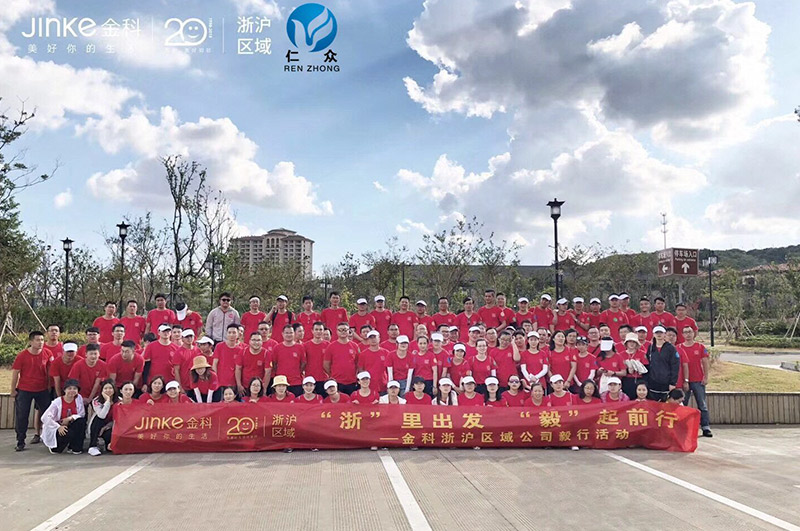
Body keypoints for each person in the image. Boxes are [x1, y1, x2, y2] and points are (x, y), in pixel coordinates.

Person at [11, 331, 51, 452]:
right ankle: (20, 441)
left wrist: (49, 386)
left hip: (42, 390)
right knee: (22, 416)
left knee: (48, 415)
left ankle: (50, 439)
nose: (40, 343)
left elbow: (50, 371)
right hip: (25, 390)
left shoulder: (47, 353)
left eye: (42, 340)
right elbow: (15, 373)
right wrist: (13, 390)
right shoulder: (22, 355)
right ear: (31, 342)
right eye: (37, 340)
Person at [679, 326, 713, 437]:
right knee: (682, 405)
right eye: (685, 332)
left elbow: (705, 362)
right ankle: (681, 427)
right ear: (682, 335)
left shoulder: (700, 347)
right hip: (684, 381)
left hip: (698, 380)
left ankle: (705, 427)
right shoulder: (679, 347)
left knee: (702, 405)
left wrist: (705, 377)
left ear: (694, 333)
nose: (688, 334)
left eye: (690, 332)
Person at [42, 379, 86, 454]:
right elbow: (45, 417)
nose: (72, 391)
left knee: (81, 421)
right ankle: (55, 446)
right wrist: (58, 427)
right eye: (69, 388)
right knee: (57, 450)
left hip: (70, 424)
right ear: (64, 390)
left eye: (75, 388)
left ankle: (75, 447)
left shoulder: (78, 398)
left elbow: (82, 414)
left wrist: (70, 418)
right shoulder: (57, 402)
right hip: (58, 427)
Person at [645, 325, 680, 402]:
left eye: (661, 332)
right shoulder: (650, 348)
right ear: (653, 334)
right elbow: (648, 364)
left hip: (666, 382)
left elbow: (675, 366)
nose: (659, 335)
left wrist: (673, 383)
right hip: (653, 382)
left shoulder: (671, 348)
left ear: (664, 334)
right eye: (657, 333)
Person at [323, 322, 359, 395]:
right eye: (340, 330)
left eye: (345, 330)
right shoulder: (331, 346)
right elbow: (326, 365)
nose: (343, 332)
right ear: (337, 331)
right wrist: (333, 374)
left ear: (349, 331)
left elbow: (357, 363)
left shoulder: (355, 346)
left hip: (351, 382)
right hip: (337, 382)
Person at [88, 379, 118, 456]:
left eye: (110, 388)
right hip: (98, 424)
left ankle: (107, 445)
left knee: (109, 437)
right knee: (98, 418)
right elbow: (102, 415)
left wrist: (108, 426)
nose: (108, 390)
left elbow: (119, 418)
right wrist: (107, 401)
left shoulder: (119, 401)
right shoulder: (96, 400)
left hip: (111, 425)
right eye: (105, 388)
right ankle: (93, 446)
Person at [212, 324, 243, 391]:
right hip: (220, 382)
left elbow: (239, 368)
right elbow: (215, 363)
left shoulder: (240, 350)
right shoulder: (219, 346)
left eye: (234, 333)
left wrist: (239, 384)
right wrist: (215, 379)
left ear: (238, 334)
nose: (231, 335)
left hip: (233, 383)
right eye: (229, 332)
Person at [620, 332, 648, 400]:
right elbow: (620, 369)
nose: (631, 344)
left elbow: (646, 368)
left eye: (633, 342)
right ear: (626, 343)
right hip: (627, 380)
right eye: (629, 341)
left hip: (640, 380)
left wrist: (638, 368)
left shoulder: (642, 353)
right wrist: (628, 370)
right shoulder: (621, 354)